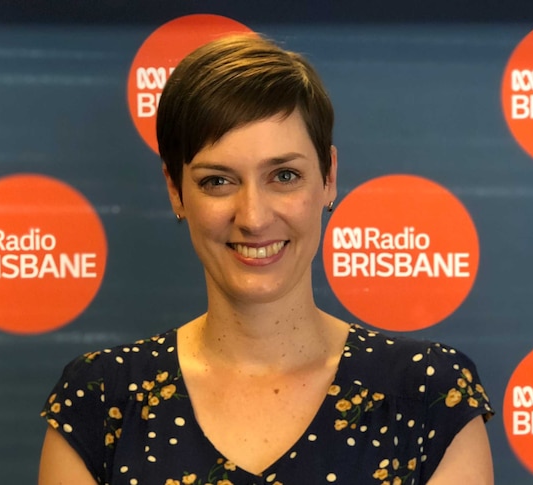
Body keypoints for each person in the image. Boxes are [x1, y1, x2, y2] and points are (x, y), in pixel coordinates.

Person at [38, 34, 494, 485]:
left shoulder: (428, 397)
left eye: (285, 176)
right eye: (218, 181)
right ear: (175, 190)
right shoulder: (99, 400)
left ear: (329, 177)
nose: (254, 217)